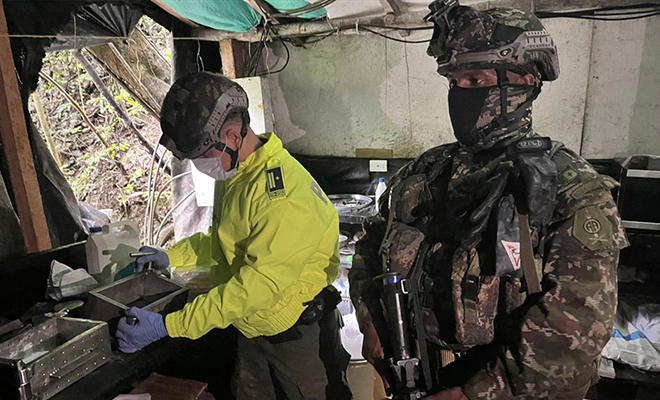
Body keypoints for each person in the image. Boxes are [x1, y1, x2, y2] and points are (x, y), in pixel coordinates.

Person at [349, 3, 628, 400]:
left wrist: (475, 392)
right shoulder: (425, 171)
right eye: (454, 82)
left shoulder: (571, 189)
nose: (461, 93)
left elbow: (577, 325)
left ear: (524, 82)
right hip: (420, 374)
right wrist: (370, 320)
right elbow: (370, 245)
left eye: (475, 79)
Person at [116, 72, 351, 400]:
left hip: (296, 336)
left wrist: (170, 325)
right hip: (252, 324)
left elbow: (256, 287)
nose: (199, 166)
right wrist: (171, 256)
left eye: (201, 156)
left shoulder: (283, 197)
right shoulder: (237, 173)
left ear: (231, 137)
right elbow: (224, 242)